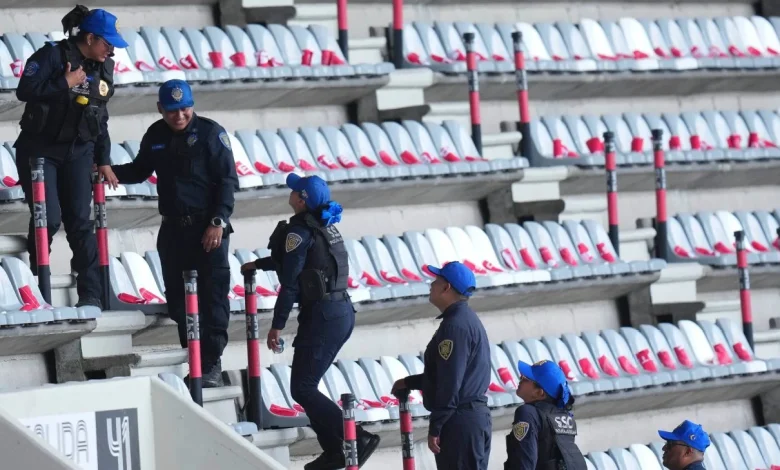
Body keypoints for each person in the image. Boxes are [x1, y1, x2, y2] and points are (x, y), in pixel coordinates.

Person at [240, 174, 380, 470]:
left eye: (295, 190)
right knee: (305, 387)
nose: (290, 192)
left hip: (324, 316)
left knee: (303, 388)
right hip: (340, 311)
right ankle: (334, 450)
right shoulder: (324, 225)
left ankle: (357, 438)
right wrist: (260, 264)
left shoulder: (299, 231)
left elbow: (291, 283)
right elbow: (305, 263)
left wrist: (277, 325)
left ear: (301, 200)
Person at [110, 79, 238, 388]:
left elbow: (227, 182)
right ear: (160, 109)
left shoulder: (210, 133)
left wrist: (217, 222)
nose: (179, 116)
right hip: (173, 231)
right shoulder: (156, 135)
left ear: (192, 106)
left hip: (208, 229)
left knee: (212, 297)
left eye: (184, 109)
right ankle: (195, 359)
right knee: (179, 300)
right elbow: (139, 170)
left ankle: (211, 364)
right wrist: (109, 171)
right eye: (171, 110)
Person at [14, 5, 124, 309]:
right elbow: (25, 90)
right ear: (90, 38)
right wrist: (64, 83)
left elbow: (100, 116)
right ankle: (38, 286)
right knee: (48, 219)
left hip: (79, 150)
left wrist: (104, 159)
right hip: (40, 151)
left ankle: (91, 294)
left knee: (80, 222)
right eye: (107, 43)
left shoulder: (104, 67)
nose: (111, 50)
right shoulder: (52, 55)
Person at [390, 262, 492, 470]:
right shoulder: (463, 319)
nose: (431, 285)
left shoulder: (454, 326)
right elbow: (447, 374)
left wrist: (436, 426)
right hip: (469, 418)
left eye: (436, 280)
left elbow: (450, 381)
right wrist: (408, 382)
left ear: (446, 287)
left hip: (460, 422)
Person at [504, 360, 587, 470]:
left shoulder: (527, 413)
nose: (520, 379)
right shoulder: (566, 417)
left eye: (526, 379)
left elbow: (524, 463)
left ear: (539, 393)